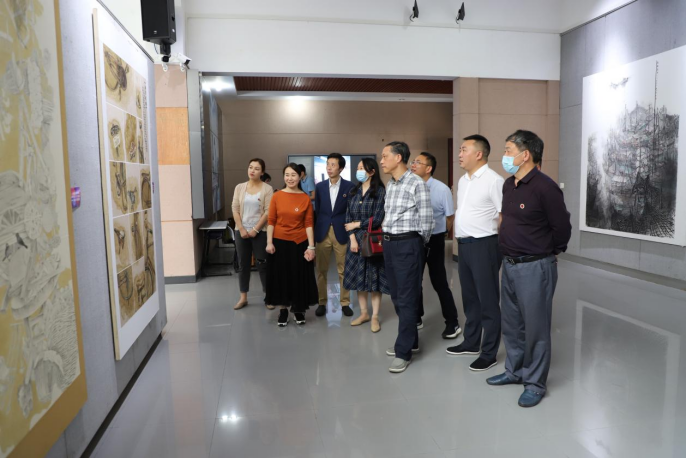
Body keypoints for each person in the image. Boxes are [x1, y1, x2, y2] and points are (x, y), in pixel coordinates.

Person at [486, 130, 571, 408]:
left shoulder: (545, 187)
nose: (504, 155)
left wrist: (547, 252)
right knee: (512, 325)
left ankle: (535, 383)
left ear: (525, 155)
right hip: (510, 265)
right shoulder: (509, 185)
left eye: (508, 150)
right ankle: (515, 371)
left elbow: (562, 228)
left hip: (535, 267)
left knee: (536, 328)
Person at [447, 135, 505, 372]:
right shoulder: (463, 180)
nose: (459, 154)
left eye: (464, 150)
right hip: (465, 245)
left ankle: (489, 353)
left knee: (488, 301)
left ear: (479, 154)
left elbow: (503, 216)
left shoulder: (494, 180)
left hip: (485, 245)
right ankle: (471, 343)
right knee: (470, 298)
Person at [380, 141, 434, 373]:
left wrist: (417, 245)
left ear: (398, 157)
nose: (381, 160)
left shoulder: (416, 183)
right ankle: (411, 341)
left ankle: (403, 351)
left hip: (408, 244)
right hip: (389, 244)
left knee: (407, 297)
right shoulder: (390, 184)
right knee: (396, 295)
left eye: (385, 156)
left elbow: (427, 220)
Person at [410, 152, 461, 339]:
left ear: (429, 168)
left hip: (435, 239)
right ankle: (417, 317)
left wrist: (440, 233)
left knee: (439, 282)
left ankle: (452, 323)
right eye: (413, 161)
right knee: (414, 281)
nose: (413, 164)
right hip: (414, 239)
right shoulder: (410, 186)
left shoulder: (441, 189)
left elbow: (450, 216)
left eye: (418, 162)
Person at [265, 163, 318, 327]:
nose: (290, 178)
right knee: (281, 277)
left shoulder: (305, 198)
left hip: (300, 243)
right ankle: (283, 310)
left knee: (298, 277)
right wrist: (269, 242)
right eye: (287, 175)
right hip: (279, 243)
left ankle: (298, 308)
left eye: (293, 175)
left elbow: (308, 224)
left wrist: (311, 246)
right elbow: (271, 221)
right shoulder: (277, 196)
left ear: (300, 176)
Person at [343, 158, 388, 333]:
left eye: (362, 168)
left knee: (374, 279)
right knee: (358, 279)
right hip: (355, 240)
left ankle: (375, 316)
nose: (359, 171)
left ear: (372, 171)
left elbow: (377, 218)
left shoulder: (380, 192)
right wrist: (352, 238)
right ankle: (364, 313)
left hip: (371, 240)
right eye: (358, 168)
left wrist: (357, 224)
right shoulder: (353, 191)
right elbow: (347, 217)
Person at [313, 153, 355, 317]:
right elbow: (318, 210)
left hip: (341, 231)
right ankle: (321, 302)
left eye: (333, 165)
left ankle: (345, 303)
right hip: (323, 231)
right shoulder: (320, 187)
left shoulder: (349, 187)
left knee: (343, 270)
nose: (329, 168)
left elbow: (351, 211)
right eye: (328, 164)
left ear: (341, 168)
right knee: (321, 270)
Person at [231, 158, 274, 310]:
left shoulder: (267, 189)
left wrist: (255, 230)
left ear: (262, 172)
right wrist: (241, 228)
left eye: (256, 168)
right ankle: (243, 297)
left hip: (260, 232)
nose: (252, 170)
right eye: (250, 167)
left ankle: (268, 297)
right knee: (243, 265)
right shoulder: (240, 187)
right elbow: (235, 208)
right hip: (241, 232)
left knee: (263, 264)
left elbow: (268, 212)